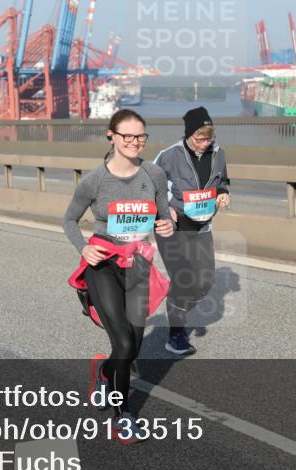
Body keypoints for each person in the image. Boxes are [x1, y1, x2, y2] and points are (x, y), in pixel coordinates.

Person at [63, 109, 174, 444]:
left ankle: (104, 372)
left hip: (137, 263)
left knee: (133, 347)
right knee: (123, 343)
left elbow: (164, 216)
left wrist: (167, 226)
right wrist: (83, 248)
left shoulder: (153, 174)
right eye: (127, 136)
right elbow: (68, 220)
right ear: (110, 136)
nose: (134, 142)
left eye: (140, 136)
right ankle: (123, 416)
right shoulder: (95, 180)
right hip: (104, 264)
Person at [153, 106, 231, 355]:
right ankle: (176, 334)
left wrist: (224, 194)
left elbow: (223, 182)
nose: (204, 144)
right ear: (188, 134)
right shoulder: (168, 156)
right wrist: (165, 210)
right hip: (173, 228)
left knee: (204, 283)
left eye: (208, 138)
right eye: (199, 138)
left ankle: (176, 307)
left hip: (202, 228)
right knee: (184, 281)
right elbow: (149, 188)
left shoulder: (219, 154)